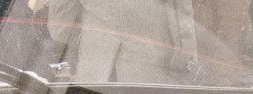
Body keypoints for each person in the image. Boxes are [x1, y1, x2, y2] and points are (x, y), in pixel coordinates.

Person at [48, 0, 198, 84]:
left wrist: (88, 42)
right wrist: (186, 60)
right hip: (149, 73)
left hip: (96, 70)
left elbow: (59, 23)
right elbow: (180, 14)